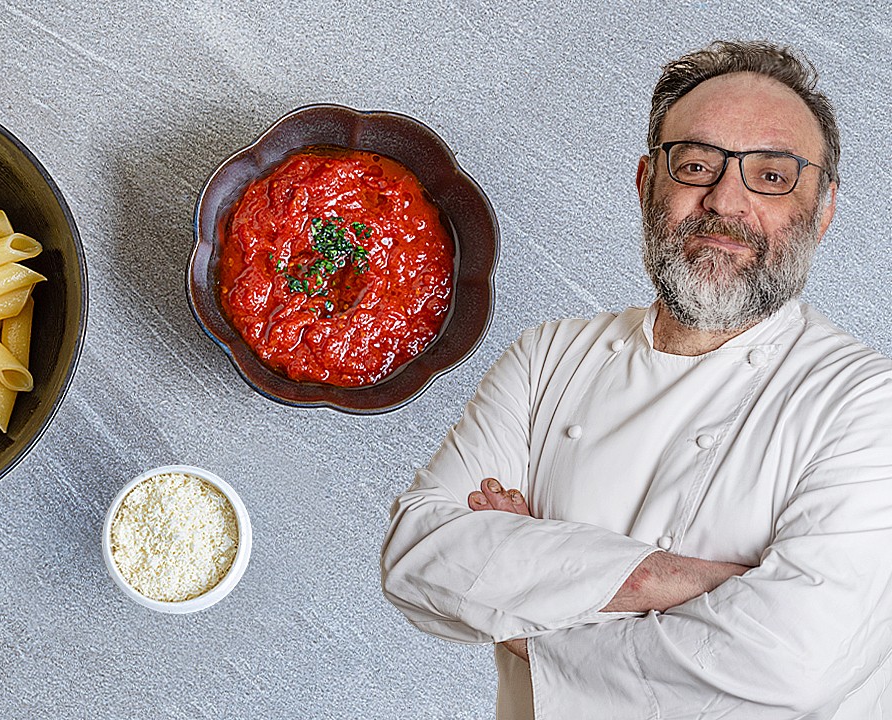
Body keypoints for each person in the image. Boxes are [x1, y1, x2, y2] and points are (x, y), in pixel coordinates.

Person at [380, 40, 892, 719]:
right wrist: (676, 583)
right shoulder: (548, 357)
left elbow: (796, 664)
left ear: (823, 212)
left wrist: (527, 602)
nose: (726, 200)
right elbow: (417, 556)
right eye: (697, 165)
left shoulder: (866, 403)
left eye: (772, 175)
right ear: (647, 183)